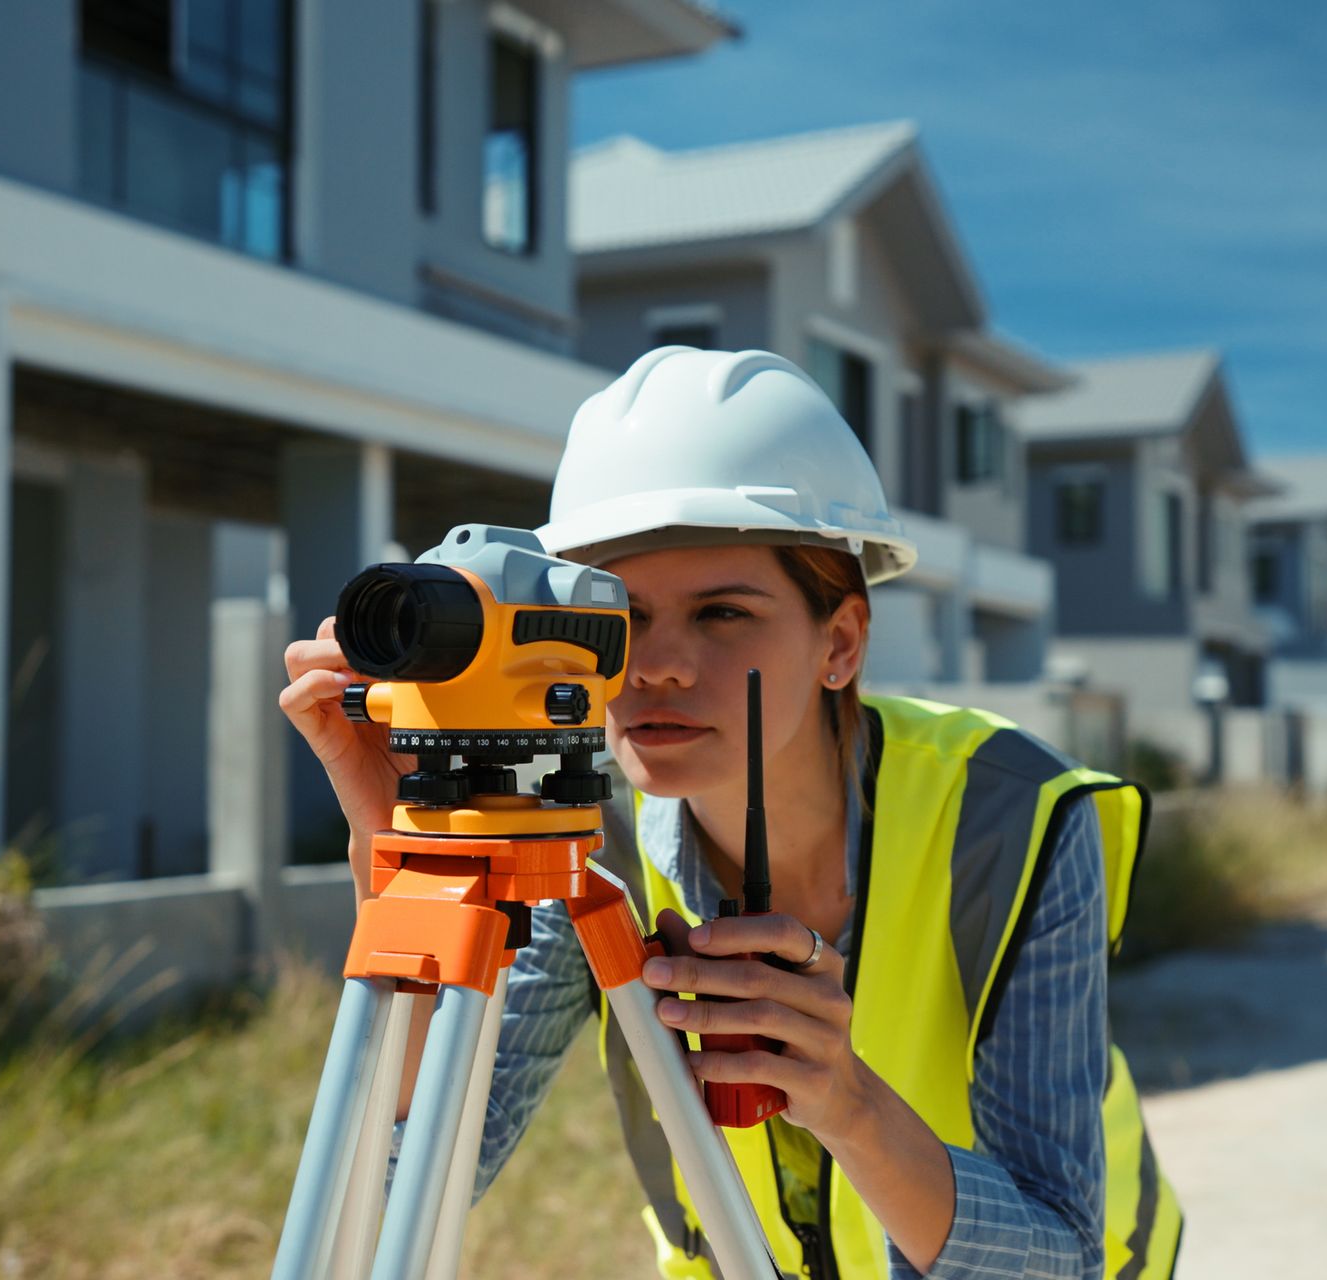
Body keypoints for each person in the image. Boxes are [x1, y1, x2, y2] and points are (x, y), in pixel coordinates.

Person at [279, 347, 1182, 1279]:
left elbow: (1058, 1257)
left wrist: (848, 1103)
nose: (659, 665)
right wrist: (406, 860)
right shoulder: (590, 834)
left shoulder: (1014, 820)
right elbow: (408, 1189)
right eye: (618, 617)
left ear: (840, 640)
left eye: (722, 613)